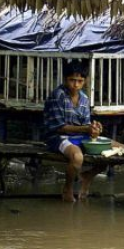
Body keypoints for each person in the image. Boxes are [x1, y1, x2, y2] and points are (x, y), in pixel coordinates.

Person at [44, 60, 104, 202]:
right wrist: (86, 129)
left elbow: (86, 124)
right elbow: (60, 127)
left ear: (85, 81)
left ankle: (87, 176)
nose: (76, 84)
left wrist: (94, 130)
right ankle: (68, 188)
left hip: (79, 137)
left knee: (120, 148)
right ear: (65, 79)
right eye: (72, 80)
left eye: (80, 81)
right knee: (77, 157)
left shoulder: (84, 98)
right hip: (57, 137)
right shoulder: (57, 95)